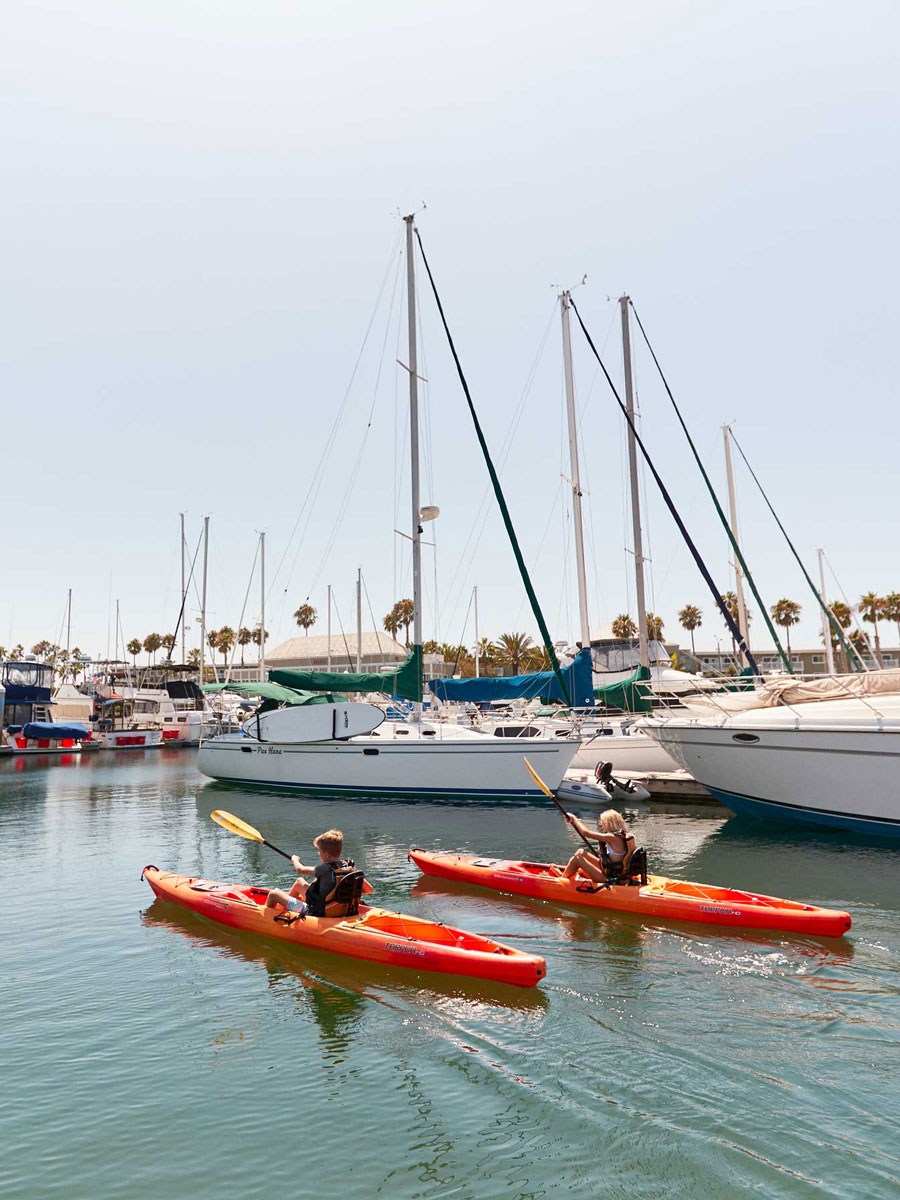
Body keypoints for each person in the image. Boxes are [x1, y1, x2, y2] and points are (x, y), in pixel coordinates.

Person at [265, 829, 362, 918]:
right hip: (339, 909)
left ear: (327, 854)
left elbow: (300, 870)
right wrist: (339, 893)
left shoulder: (325, 869)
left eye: (319, 850)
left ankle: (267, 915)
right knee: (299, 882)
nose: (318, 853)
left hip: (316, 912)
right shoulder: (350, 868)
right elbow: (368, 889)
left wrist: (294, 860)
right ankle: (284, 904)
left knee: (273, 894)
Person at [562, 808, 634, 884]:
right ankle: (569, 874)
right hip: (614, 872)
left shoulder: (612, 838)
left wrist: (574, 819)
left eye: (602, 823)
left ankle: (561, 881)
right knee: (580, 852)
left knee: (577, 859)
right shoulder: (624, 836)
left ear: (608, 823)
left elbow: (586, 833)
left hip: (610, 879)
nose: (600, 825)